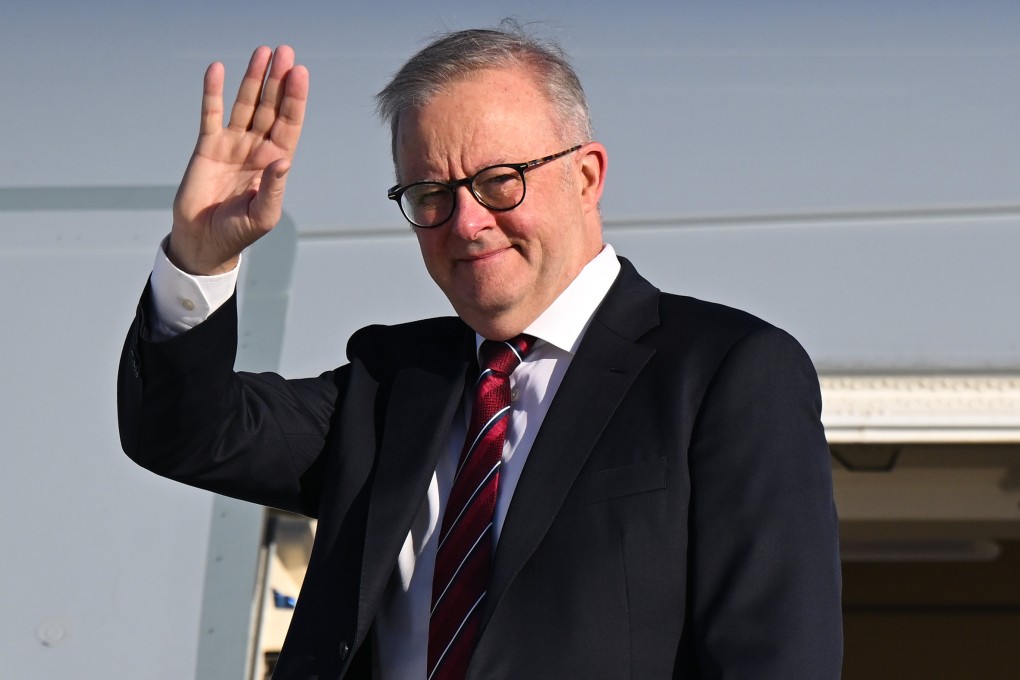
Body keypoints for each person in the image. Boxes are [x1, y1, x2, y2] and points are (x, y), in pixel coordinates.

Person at [118, 25, 842, 680]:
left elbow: (773, 658)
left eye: (499, 182)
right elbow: (186, 432)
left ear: (586, 175)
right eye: (431, 194)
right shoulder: (393, 385)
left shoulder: (724, 372)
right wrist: (199, 258)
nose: (466, 223)